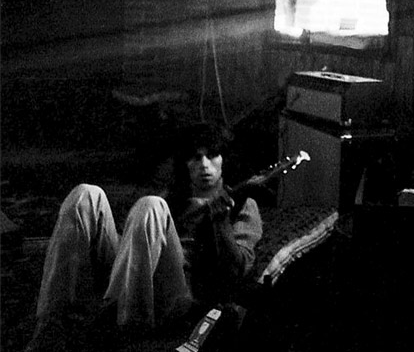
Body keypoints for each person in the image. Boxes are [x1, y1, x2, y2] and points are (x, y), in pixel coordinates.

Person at [25, 122, 263, 351]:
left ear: (224, 160)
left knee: (151, 205)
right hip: (135, 276)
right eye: (195, 157)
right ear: (185, 163)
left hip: (179, 289)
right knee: (86, 195)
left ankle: (125, 328)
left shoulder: (241, 204)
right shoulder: (174, 198)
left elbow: (238, 268)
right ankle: (51, 324)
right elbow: (135, 240)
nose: (204, 165)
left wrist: (219, 221)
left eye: (212, 155)